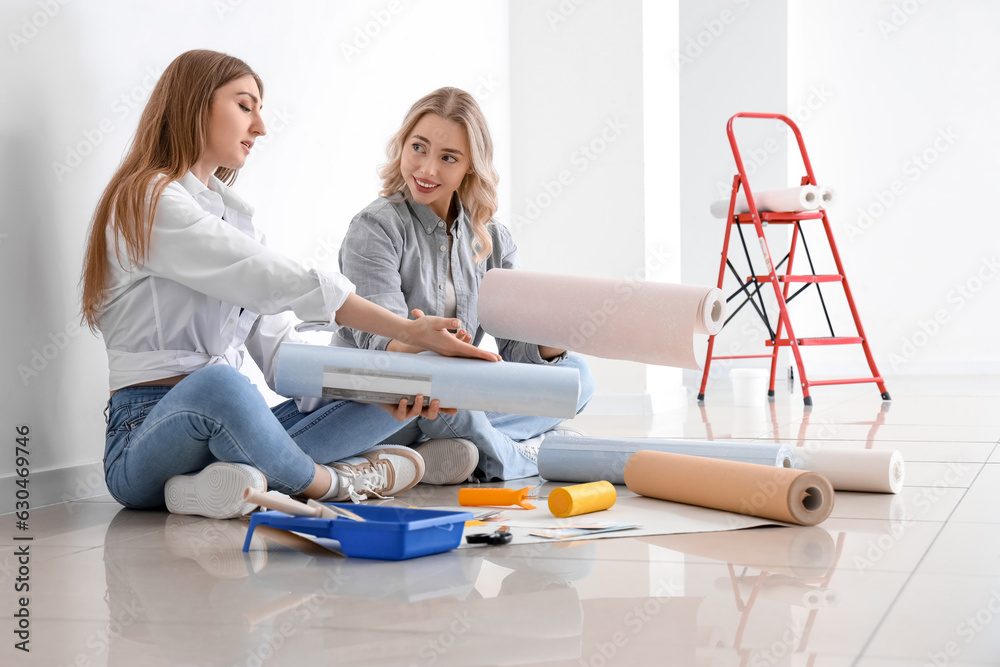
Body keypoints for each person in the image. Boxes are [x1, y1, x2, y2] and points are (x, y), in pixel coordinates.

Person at [79, 51, 500, 520]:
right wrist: (405, 330)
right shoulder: (148, 199)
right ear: (195, 105)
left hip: (235, 433)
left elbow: (282, 359)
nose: (260, 126)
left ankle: (222, 486)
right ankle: (337, 481)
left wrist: (376, 384)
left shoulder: (235, 220)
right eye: (245, 105)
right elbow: (270, 279)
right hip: (144, 435)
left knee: (381, 384)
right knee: (218, 384)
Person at [334, 87, 593, 483]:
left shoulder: (493, 237)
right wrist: (429, 345)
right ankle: (523, 457)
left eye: (448, 158)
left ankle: (453, 451)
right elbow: (379, 341)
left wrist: (550, 342)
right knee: (454, 401)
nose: (427, 169)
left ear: (471, 166)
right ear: (402, 145)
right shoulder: (375, 227)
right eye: (418, 148)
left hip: (456, 394)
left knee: (576, 374)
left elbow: (516, 352)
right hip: (392, 398)